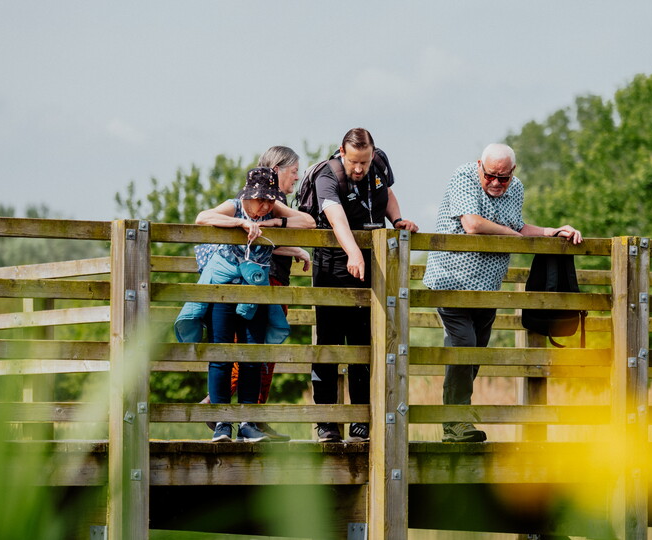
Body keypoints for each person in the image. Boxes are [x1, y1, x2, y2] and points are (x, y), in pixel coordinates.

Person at [422, 143, 582, 443]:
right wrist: (516, 237)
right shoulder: (464, 176)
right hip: (452, 281)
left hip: (488, 286)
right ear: (480, 165)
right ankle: (456, 423)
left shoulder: (516, 188)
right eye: (491, 176)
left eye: (504, 178)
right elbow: (472, 224)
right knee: (464, 346)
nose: (496, 183)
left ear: (513, 173)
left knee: (477, 350)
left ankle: (455, 421)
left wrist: (551, 231)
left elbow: (517, 226)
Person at [174, 167, 315, 443]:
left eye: (269, 200)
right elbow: (202, 218)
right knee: (222, 354)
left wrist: (277, 225)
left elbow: (308, 223)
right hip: (224, 288)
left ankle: (249, 424)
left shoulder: (271, 212)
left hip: (254, 289)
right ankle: (222, 423)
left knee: (253, 354)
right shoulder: (235, 206)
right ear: (248, 195)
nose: (264, 205)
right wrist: (239, 224)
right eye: (260, 199)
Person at [311, 128, 419, 443]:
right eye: (354, 162)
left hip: (370, 268)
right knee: (329, 346)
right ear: (342, 153)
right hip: (333, 270)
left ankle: (360, 420)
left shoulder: (379, 163)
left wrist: (397, 219)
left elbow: (388, 194)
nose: (359, 169)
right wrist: (354, 252)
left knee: (363, 345)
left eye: (365, 161)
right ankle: (327, 422)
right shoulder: (326, 175)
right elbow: (335, 218)